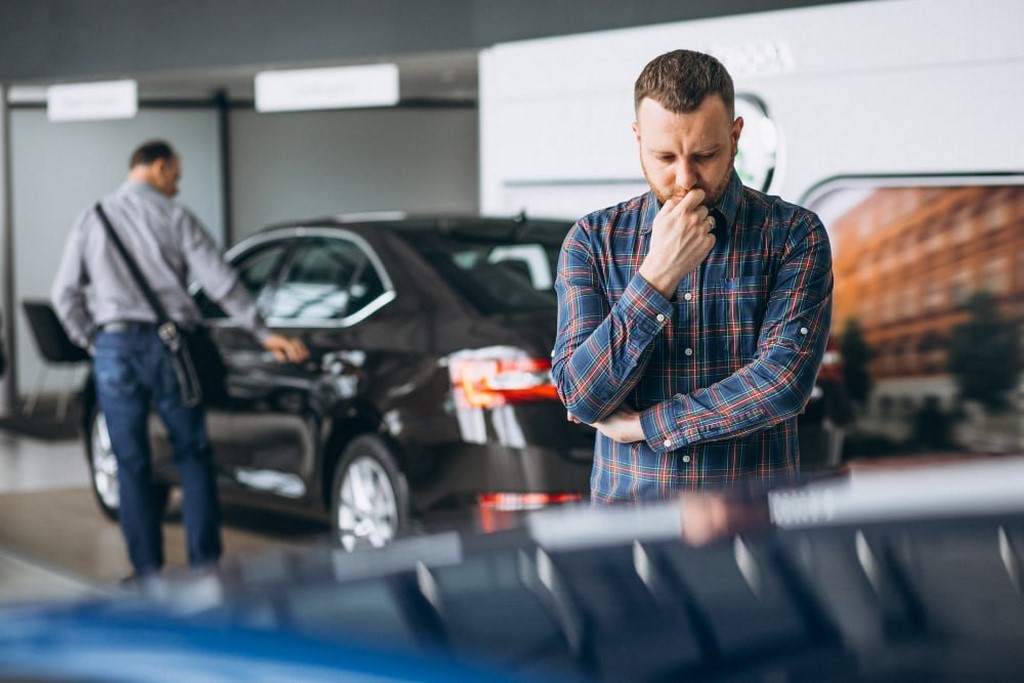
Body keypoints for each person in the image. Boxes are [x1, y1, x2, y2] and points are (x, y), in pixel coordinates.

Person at [552, 50, 833, 503]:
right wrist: (658, 276)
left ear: (736, 135)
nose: (685, 179)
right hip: (628, 537)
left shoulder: (793, 235)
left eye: (705, 154)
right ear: (638, 138)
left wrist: (645, 425)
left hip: (751, 531)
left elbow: (782, 384)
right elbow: (582, 398)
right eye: (664, 156)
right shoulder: (592, 240)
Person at [51, 139, 309, 578]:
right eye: (175, 175)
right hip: (169, 348)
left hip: (113, 350)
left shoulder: (91, 219)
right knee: (192, 455)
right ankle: (205, 567)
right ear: (156, 167)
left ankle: (147, 573)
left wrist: (94, 340)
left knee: (130, 461)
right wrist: (264, 333)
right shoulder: (174, 217)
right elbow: (219, 281)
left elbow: (64, 294)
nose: (177, 185)